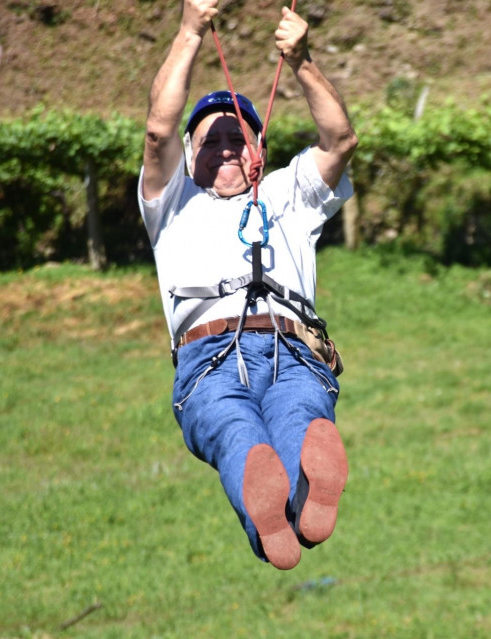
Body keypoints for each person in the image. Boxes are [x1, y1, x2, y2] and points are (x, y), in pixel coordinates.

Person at [137, 0, 358, 570]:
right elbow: (159, 126)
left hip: (292, 347)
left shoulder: (290, 192)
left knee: (297, 413)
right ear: (188, 158)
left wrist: (303, 62)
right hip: (208, 356)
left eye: (239, 140)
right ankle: (279, 508)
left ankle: (302, 495)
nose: (228, 148)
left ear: (261, 153)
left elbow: (339, 142)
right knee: (235, 429)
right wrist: (190, 31)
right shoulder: (172, 204)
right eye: (212, 141)